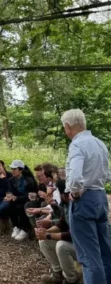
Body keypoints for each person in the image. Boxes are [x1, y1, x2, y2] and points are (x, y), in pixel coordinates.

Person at [61, 109, 111, 284]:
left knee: (89, 257)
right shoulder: (100, 143)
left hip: (84, 200)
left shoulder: (77, 145)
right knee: (105, 251)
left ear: (67, 127)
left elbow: (74, 178)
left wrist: (75, 192)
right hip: (100, 198)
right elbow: (107, 173)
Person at [36, 192, 80, 284]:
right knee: (44, 241)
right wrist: (45, 233)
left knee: (61, 245)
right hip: (75, 244)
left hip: (86, 248)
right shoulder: (67, 205)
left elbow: (74, 235)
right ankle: (58, 273)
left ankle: (71, 279)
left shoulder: (80, 206)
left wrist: (48, 235)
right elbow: (61, 225)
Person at [7, 160, 37, 241]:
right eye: (12, 169)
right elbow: (11, 191)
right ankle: (16, 226)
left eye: (14, 169)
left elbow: (30, 195)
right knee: (9, 205)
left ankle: (25, 228)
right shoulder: (11, 180)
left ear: (20, 170)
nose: (12, 171)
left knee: (21, 206)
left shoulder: (28, 180)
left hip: (27, 200)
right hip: (17, 199)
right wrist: (10, 196)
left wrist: (17, 198)